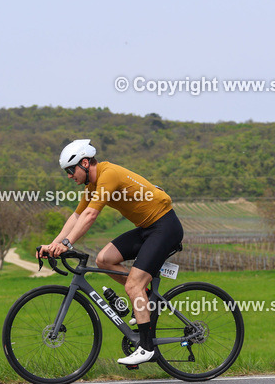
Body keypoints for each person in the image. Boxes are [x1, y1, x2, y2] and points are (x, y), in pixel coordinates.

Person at [40, 139, 183, 366]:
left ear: (85, 163)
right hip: (148, 229)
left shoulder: (108, 174)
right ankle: (144, 300)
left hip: (165, 227)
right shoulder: (91, 186)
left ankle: (147, 348)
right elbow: (77, 216)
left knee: (132, 285)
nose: (69, 176)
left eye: (71, 170)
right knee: (104, 259)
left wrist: (66, 243)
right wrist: (53, 244)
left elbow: (90, 216)